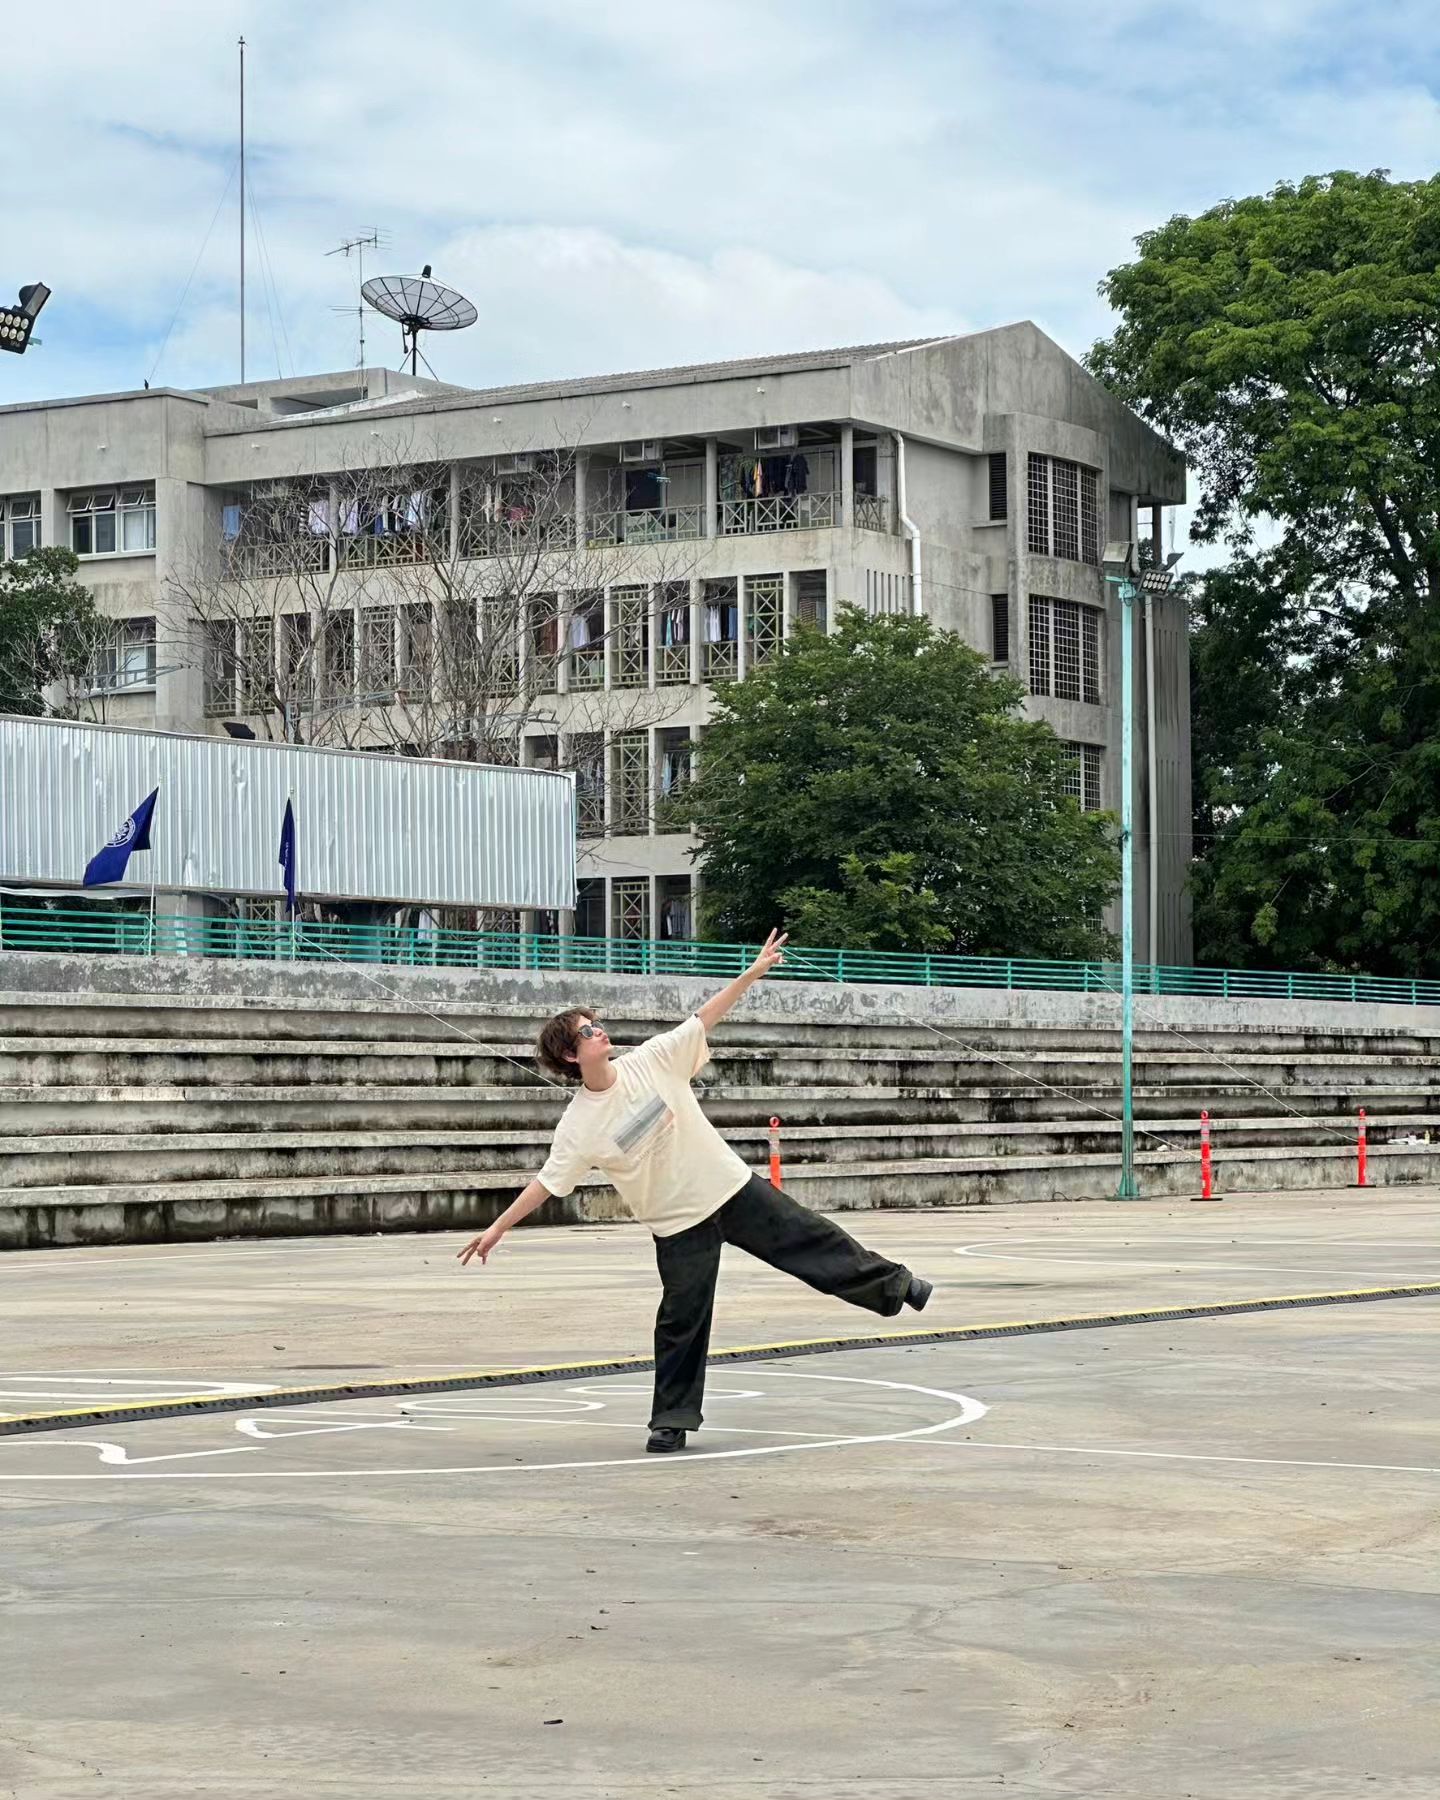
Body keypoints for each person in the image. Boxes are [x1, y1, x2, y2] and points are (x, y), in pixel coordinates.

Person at [457, 930, 932, 1452]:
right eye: (588, 1030)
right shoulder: (578, 1124)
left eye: (597, 1023)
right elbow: (549, 1182)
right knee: (682, 1320)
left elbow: (704, 1017)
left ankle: (897, 1286)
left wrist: (751, 972)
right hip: (677, 1225)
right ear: (571, 1055)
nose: (600, 1031)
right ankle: (671, 1420)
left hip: (730, 1189)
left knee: (814, 1241)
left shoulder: (653, 1059)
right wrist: (497, 1228)